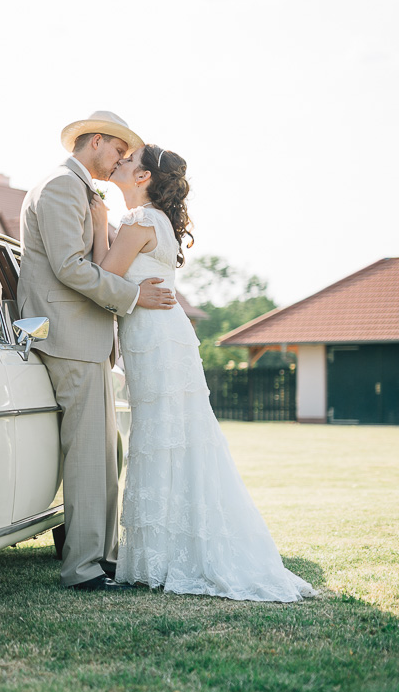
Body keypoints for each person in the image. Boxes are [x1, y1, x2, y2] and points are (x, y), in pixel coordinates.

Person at [93, 144, 314, 601]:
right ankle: (172, 551)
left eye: (130, 160)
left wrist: (98, 225)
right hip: (165, 335)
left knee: (161, 435)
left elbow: (101, 279)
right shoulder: (156, 221)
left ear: (143, 177)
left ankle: (165, 557)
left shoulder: (138, 221)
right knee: (178, 435)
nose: (122, 161)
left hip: (154, 337)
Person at [18, 111, 176, 592]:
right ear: (97, 142)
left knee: (104, 454)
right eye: (117, 151)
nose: (119, 161)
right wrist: (133, 296)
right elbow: (69, 266)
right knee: (88, 455)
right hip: (68, 335)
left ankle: (101, 557)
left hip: (84, 336)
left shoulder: (79, 190)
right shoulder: (61, 186)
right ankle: (83, 567)